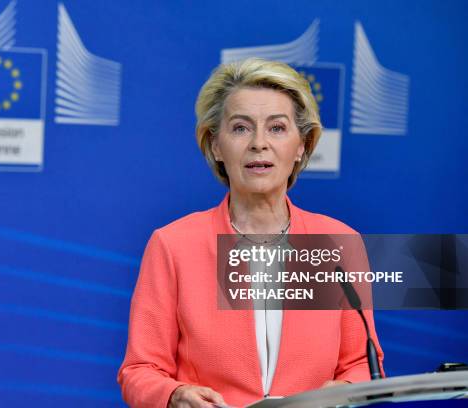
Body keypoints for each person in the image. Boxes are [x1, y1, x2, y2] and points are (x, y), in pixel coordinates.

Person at [117, 58, 384, 408]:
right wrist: (174, 395)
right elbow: (140, 370)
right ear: (215, 145)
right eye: (241, 128)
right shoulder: (174, 245)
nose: (259, 143)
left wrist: (343, 392)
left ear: (302, 144)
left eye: (277, 128)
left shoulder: (338, 242)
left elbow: (362, 363)